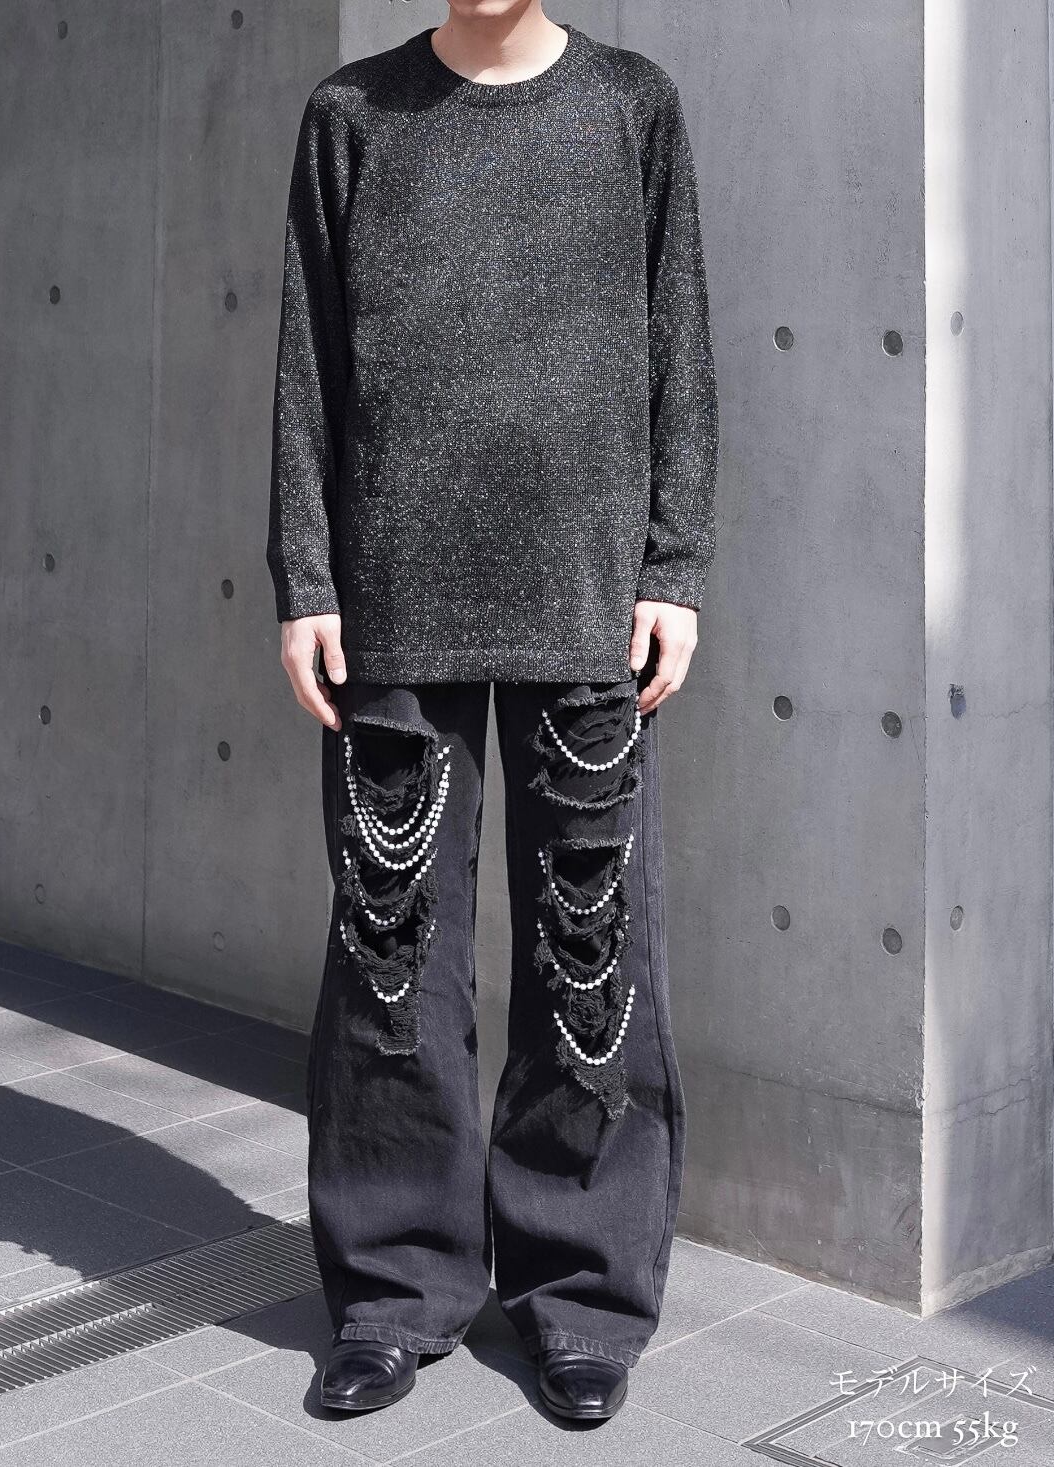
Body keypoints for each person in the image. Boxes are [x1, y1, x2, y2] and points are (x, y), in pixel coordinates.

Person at [267, 0, 718, 1426]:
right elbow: (307, 362)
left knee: (593, 960)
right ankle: (393, 1292)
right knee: (393, 956)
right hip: (392, 596)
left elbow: (682, 345)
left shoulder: (632, 107)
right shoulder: (352, 117)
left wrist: (674, 566)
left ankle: (580, 1296)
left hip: (586, 602)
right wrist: (305, 579)